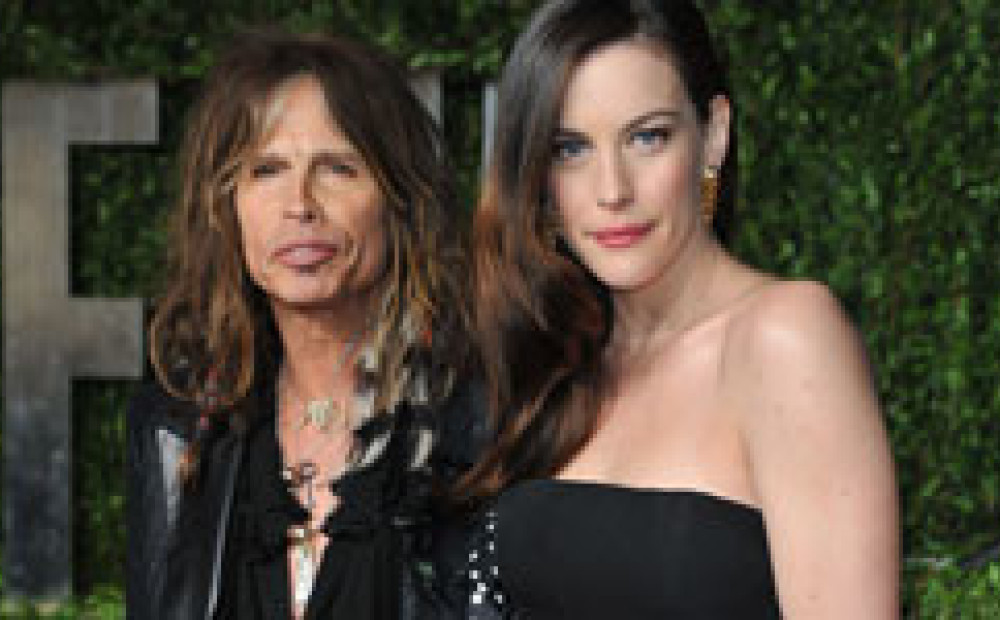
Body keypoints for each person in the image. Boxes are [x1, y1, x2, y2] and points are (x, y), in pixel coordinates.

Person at [459, 0, 899, 618]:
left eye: (647, 138)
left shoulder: (786, 336)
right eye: (570, 149)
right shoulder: (556, 360)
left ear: (713, 135)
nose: (612, 190)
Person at [125, 30, 472, 619]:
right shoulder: (177, 428)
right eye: (266, 170)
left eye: (337, 168)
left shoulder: (479, 417)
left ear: (399, 200)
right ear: (226, 207)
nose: (300, 204)